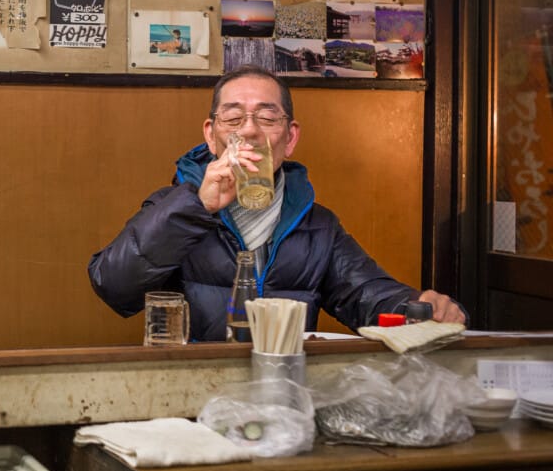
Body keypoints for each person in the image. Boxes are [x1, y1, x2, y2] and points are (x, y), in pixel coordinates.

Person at [87, 65, 465, 340]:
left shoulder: (317, 225)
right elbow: (113, 286)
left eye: (267, 117)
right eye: (233, 118)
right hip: (197, 393)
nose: (249, 130)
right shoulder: (175, 207)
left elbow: (363, 293)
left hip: (284, 390)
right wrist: (197, 207)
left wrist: (417, 307)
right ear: (211, 136)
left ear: (289, 137)